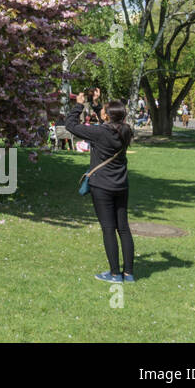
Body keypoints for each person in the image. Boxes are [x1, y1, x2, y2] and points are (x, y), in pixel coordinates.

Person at [66, 94, 135, 284]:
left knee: (108, 229)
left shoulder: (100, 133)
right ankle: (128, 273)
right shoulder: (126, 131)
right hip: (121, 185)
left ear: (106, 117)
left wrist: (79, 105)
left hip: (102, 186)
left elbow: (71, 126)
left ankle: (114, 274)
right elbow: (109, 122)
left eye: (103, 110)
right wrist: (97, 105)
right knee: (123, 228)